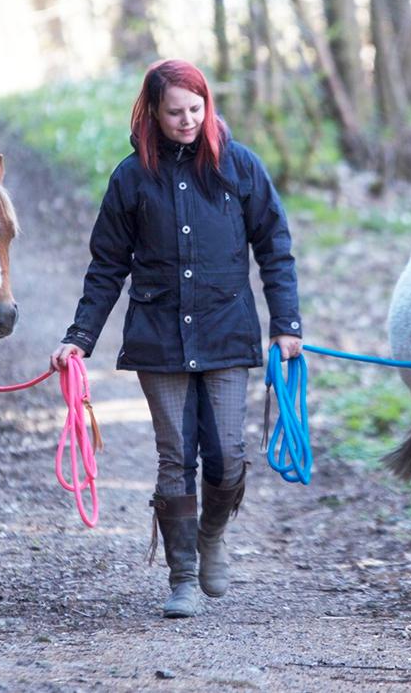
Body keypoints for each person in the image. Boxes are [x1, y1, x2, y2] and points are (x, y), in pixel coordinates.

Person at [50, 59, 303, 618]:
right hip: (159, 336)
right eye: (174, 112)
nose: (187, 121)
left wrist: (287, 324)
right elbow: (107, 265)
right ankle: (182, 576)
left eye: (195, 109)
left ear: (207, 105)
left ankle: (211, 535)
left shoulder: (240, 166)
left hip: (227, 331)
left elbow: (275, 248)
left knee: (228, 455)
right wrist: (80, 337)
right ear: (152, 113)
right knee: (175, 457)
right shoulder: (130, 178)